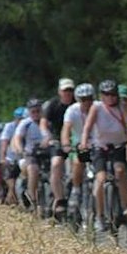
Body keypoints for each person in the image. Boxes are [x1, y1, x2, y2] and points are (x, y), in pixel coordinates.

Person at [83, 81, 127, 225]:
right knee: (101, 179)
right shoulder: (96, 108)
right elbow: (87, 127)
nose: (110, 97)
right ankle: (100, 215)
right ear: (101, 96)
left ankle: (125, 206)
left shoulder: (122, 107)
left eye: (113, 94)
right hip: (101, 147)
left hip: (119, 146)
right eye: (106, 94)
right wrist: (84, 142)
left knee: (120, 171)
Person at [60, 83, 95, 208]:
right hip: (79, 141)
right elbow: (66, 129)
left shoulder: (98, 108)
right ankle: (76, 189)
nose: (87, 102)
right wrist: (65, 144)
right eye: (83, 99)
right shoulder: (72, 110)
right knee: (77, 161)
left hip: (97, 141)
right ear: (78, 100)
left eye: (89, 98)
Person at [44, 79, 76, 212]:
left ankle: (79, 192)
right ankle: (59, 199)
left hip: (76, 141)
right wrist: (48, 136)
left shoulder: (78, 104)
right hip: (57, 140)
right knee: (56, 164)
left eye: (70, 90)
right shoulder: (53, 105)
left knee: (82, 166)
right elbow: (44, 122)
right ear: (59, 91)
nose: (67, 93)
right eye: (65, 90)